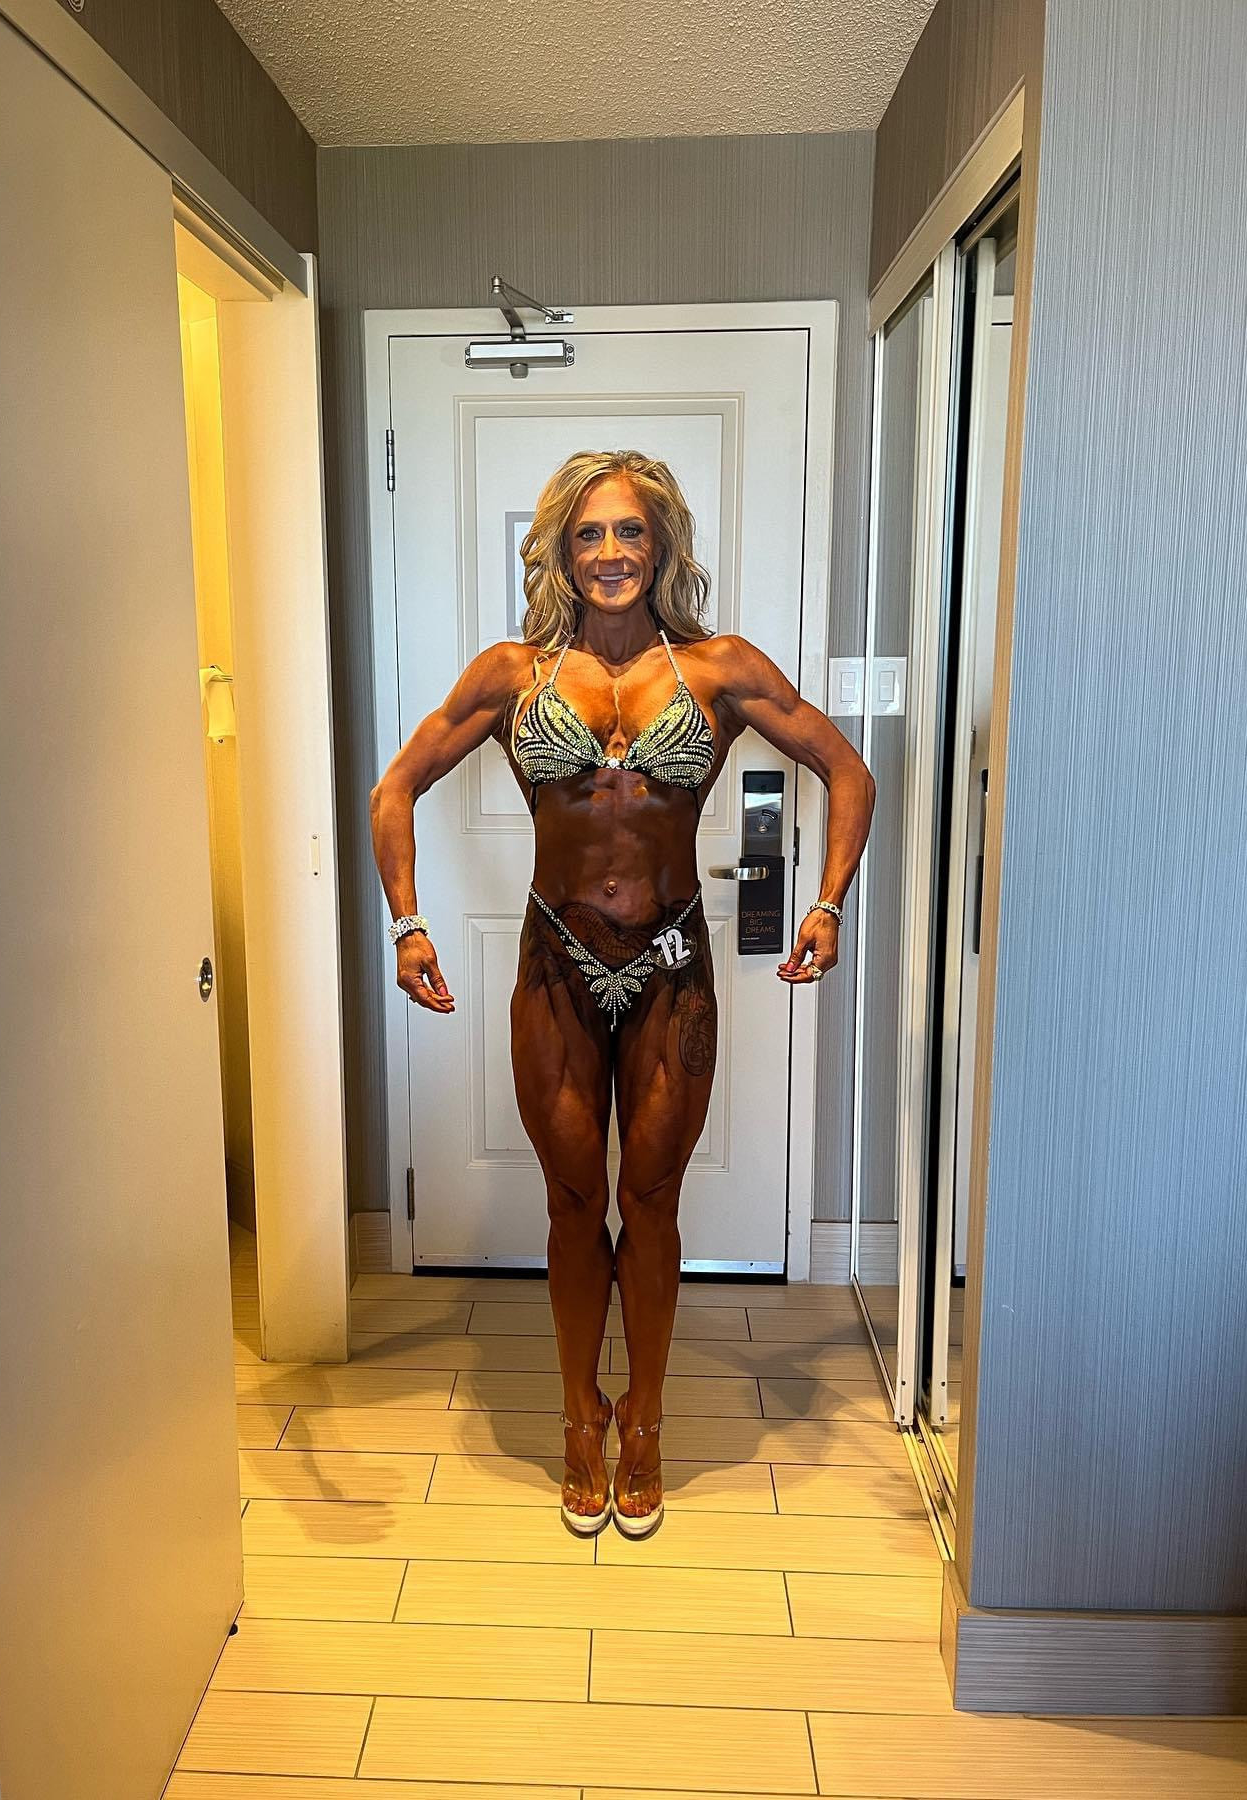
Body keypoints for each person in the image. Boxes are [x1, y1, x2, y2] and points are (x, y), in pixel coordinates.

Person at [370, 449, 875, 1537]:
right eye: (590, 533)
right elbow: (395, 788)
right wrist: (408, 923)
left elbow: (849, 770)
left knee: (650, 1203)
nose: (610, 552)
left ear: (661, 546)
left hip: (672, 970)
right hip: (554, 965)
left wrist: (827, 902)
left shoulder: (719, 669)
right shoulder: (512, 675)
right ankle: (576, 1417)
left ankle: (642, 1418)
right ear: (562, 551)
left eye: (630, 531)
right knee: (570, 1204)